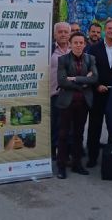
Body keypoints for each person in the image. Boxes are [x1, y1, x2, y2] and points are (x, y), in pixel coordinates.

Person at [56, 32, 98, 179]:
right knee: (63, 134)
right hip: (67, 102)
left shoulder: (90, 58)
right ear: (70, 44)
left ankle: (77, 163)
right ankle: (61, 165)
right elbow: (61, 81)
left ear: (84, 44)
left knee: (79, 135)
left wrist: (74, 79)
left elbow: (94, 78)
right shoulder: (63, 59)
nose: (79, 45)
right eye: (76, 42)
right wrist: (83, 83)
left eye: (81, 43)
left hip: (83, 103)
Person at [86, 18, 112, 168]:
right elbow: (90, 69)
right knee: (94, 127)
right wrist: (97, 85)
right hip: (97, 93)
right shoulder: (94, 48)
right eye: (109, 29)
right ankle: (92, 157)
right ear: (105, 30)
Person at [50, 21, 71, 159]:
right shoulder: (49, 50)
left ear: (69, 34)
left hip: (72, 94)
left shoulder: (76, 47)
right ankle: (52, 153)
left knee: (70, 127)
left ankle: (67, 154)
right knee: (55, 126)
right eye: (60, 32)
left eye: (65, 32)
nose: (63, 34)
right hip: (55, 94)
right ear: (54, 34)